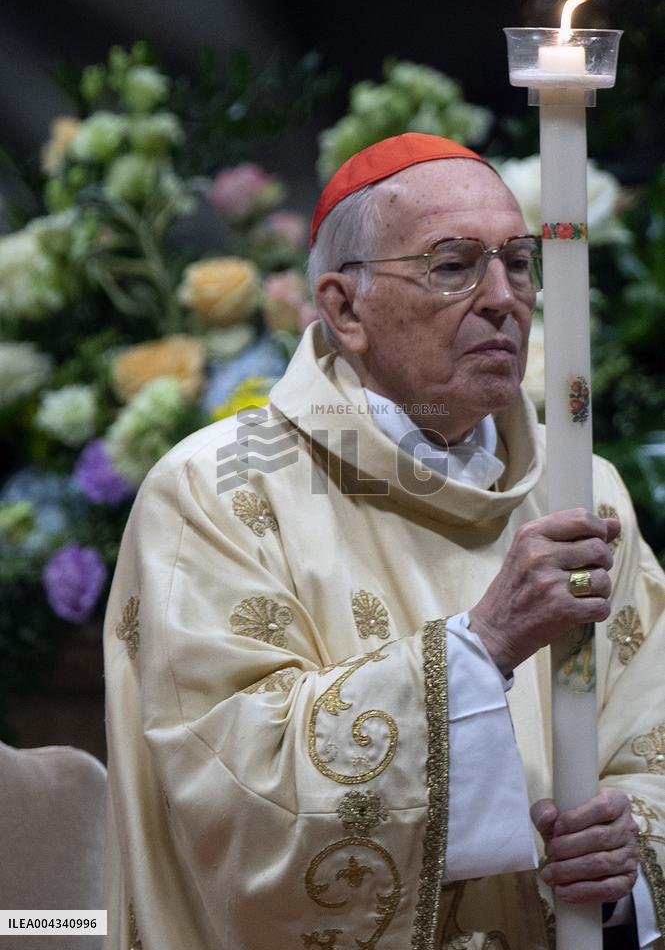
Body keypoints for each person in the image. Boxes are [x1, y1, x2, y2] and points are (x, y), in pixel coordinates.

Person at [103, 133, 665, 950]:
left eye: (516, 261)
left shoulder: (584, 488)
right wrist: (483, 647)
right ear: (343, 308)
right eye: (452, 265)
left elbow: (648, 735)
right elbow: (226, 796)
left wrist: (624, 852)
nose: (502, 296)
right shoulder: (218, 490)